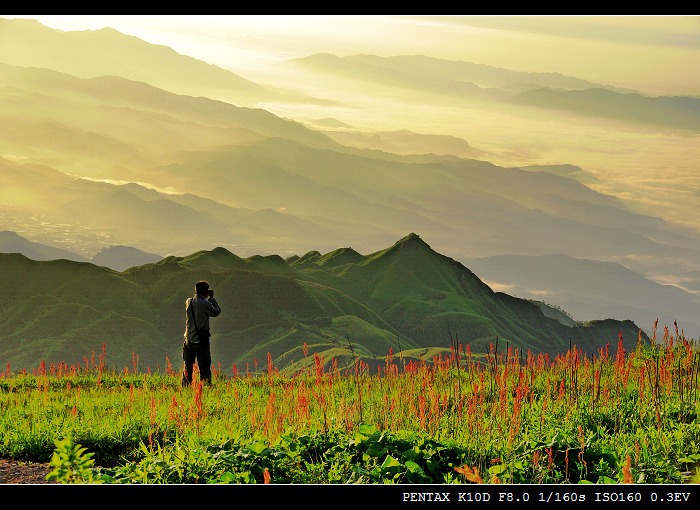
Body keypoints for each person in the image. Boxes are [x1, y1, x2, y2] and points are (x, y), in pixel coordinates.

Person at [182, 280, 221, 387]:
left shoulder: (188, 301)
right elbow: (216, 312)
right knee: (204, 366)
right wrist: (212, 298)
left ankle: (185, 388)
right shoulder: (204, 303)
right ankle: (206, 387)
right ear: (206, 291)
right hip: (200, 341)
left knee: (187, 367)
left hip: (188, 339)